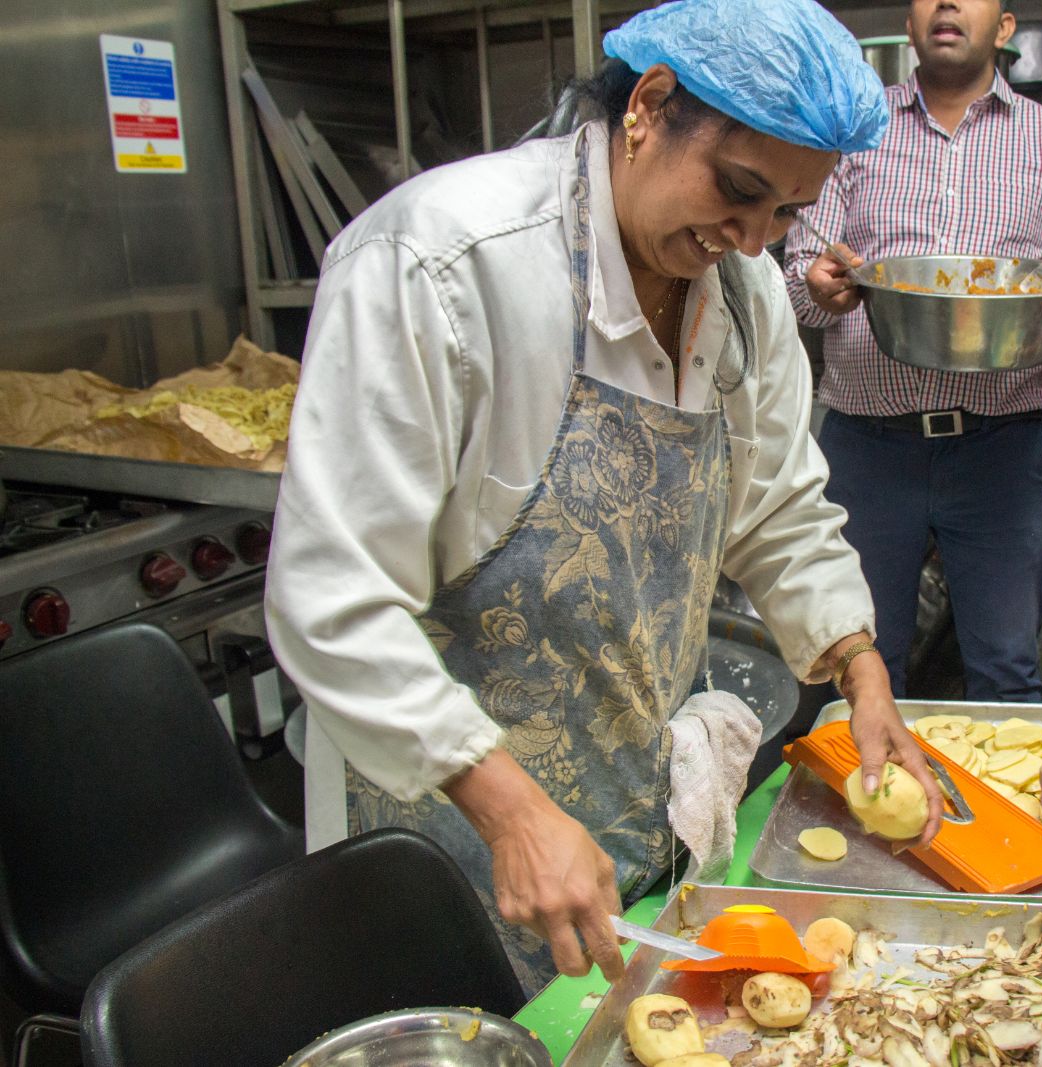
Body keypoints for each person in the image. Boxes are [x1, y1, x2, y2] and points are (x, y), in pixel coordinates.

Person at [264, 0, 944, 994]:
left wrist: (861, 671)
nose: (755, 241)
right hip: (441, 829)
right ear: (650, 106)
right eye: (741, 190)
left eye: (788, 214)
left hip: (632, 796)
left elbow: (779, 506)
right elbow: (331, 595)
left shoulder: (742, 298)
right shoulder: (446, 263)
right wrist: (510, 810)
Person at [785, 0, 1042, 703]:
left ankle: (1000, 815)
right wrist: (817, 286)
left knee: (1006, 674)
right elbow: (796, 283)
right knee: (854, 670)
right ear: (909, 27)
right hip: (867, 448)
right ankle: (859, 811)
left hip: (1000, 450)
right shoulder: (854, 130)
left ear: (1006, 29)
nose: (946, 4)